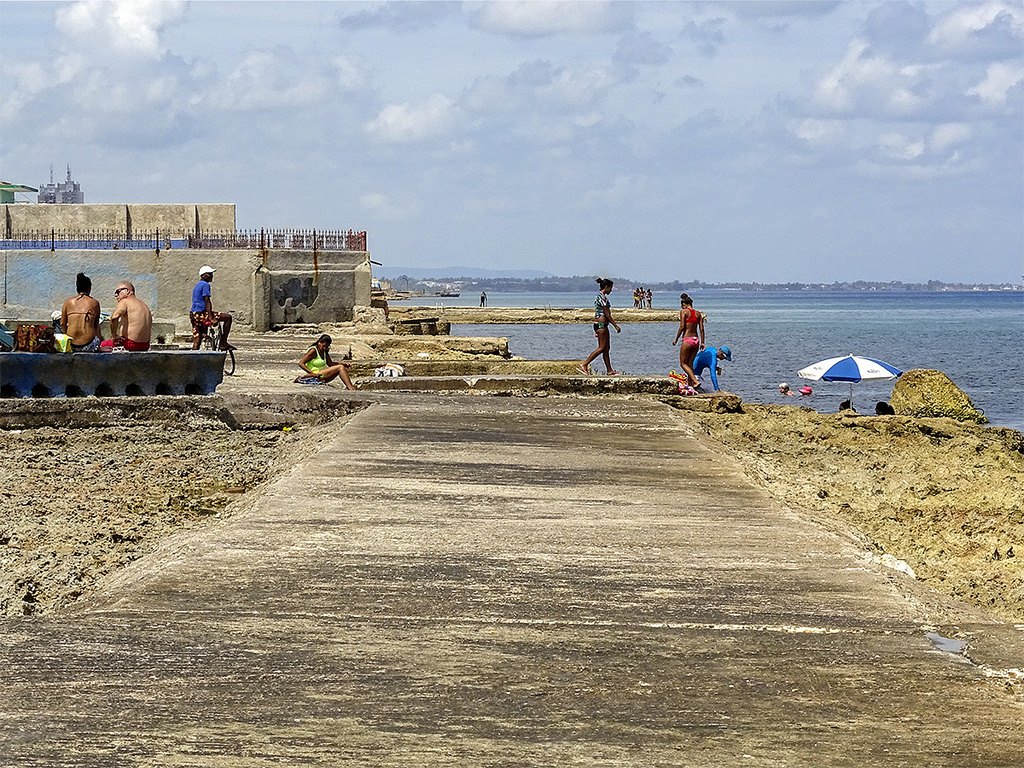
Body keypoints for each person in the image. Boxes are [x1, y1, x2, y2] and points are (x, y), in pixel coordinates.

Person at [577, 277, 621, 375]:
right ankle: (584, 364)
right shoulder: (602, 298)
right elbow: (607, 314)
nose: (611, 290)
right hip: (601, 325)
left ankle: (609, 370)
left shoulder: (599, 297)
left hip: (601, 325)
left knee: (606, 348)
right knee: (601, 348)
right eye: (610, 288)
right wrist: (615, 326)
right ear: (606, 287)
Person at [190, 265, 234, 351]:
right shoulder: (205, 285)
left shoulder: (198, 285)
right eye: (209, 274)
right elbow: (207, 301)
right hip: (201, 314)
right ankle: (223, 342)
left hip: (193, 315)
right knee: (228, 317)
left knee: (197, 338)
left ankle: (192, 358)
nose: (211, 276)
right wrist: (211, 317)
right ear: (203, 275)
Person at [100, 281, 153, 351]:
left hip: (130, 344)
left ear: (127, 291)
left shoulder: (125, 301)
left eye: (118, 292)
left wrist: (114, 336)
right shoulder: (144, 305)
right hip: (145, 345)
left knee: (100, 346)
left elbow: (114, 318)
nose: (116, 295)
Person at [60, 273, 103, 352]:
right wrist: (101, 340)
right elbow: (96, 325)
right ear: (89, 288)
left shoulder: (68, 302)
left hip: (71, 345)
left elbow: (62, 323)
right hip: (89, 345)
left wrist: (67, 336)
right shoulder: (94, 303)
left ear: (77, 288)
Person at [671, 293, 704, 387]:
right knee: (690, 364)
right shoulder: (698, 313)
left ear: (684, 305)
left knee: (683, 363)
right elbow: (701, 329)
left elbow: (682, 327)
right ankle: (690, 385)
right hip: (696, 340)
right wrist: (703, 342)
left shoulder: (684, 312)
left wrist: (676, 339)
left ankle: (695, 381)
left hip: (687, 339)